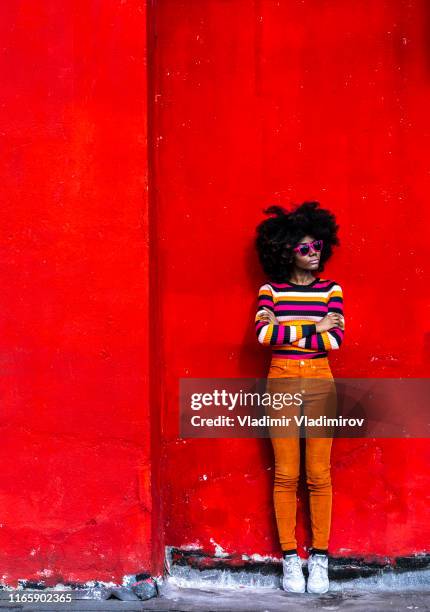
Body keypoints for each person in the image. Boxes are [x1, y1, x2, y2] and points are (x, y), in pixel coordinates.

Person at [254, 201, 345, 594]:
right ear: (286, 251)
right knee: (286, 474)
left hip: (320, 380)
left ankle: (319, 558)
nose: (314, 253)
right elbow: (262, 337)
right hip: (282, 380)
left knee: (318, 475)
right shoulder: (270, 290)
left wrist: (288, 328)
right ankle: (291, 560)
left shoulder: (332, 290)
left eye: (318, 245)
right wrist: (314, 327)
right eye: (305, 248)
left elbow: (336, 339)